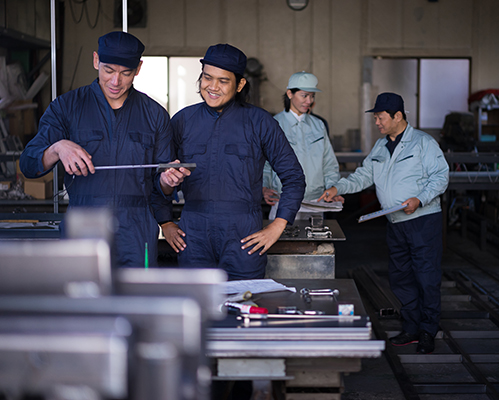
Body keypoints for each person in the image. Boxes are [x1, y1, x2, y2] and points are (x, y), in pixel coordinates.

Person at [19, 31, 189, 267]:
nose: (115, 81)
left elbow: (161, 189)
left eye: (125, 73)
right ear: (96, 60)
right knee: (84, 299)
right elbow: (28, 164)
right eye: (109, 70)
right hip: (85, 224)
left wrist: (168, 181)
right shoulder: (67, 107)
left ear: (138, 69)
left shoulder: (154, 114)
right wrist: (57, 148)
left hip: (137, 229)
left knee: (135, 299)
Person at [156, 43, 305, 280]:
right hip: (193, 233)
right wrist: (165, 222)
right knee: (198, 309)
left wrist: (277, 226)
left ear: (240, 84)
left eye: (223, 81)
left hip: (243, 236)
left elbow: (294, 178)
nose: (212, 87)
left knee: (244, 305)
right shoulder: (183, 120)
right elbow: (160, 178)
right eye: (207, 78)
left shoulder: (260, 122)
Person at [319, 92, 449, 354]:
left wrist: (420, 199)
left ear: (397, 116)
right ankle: (411, 329)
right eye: (376, 117)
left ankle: (427, 331)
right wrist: (337, 187)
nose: (376, 122)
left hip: (422, 221)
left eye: (380, 117)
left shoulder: (423, 143)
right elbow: (363, 176)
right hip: (394, 222)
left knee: (426, 277)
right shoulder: (380, 147)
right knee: (401, 277)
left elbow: (440, 177)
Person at [262, 71, 342, 220]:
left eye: (312, 96)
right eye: (304, 95)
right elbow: (266, 163)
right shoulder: (274, 124)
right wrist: (264, 187)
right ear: (290, 94)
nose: (309, 101)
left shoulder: (318, 125)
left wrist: (333, 187)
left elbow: (328, 162)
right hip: (283, 199)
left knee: (313, 241)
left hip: (316, 200)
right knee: (283, 242)